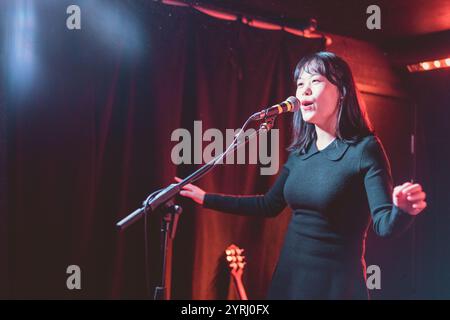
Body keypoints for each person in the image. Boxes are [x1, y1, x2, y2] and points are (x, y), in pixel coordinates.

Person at [175, 51, 427, 300]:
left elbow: (384, 224)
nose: (304, 90)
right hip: (289, 279)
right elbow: (268, 204)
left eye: (315, 81)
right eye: (299, 83)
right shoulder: (301, 152)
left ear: (342, 91)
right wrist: (206, 198)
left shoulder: (365, 149)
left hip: (335, 286)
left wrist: (402, 210)